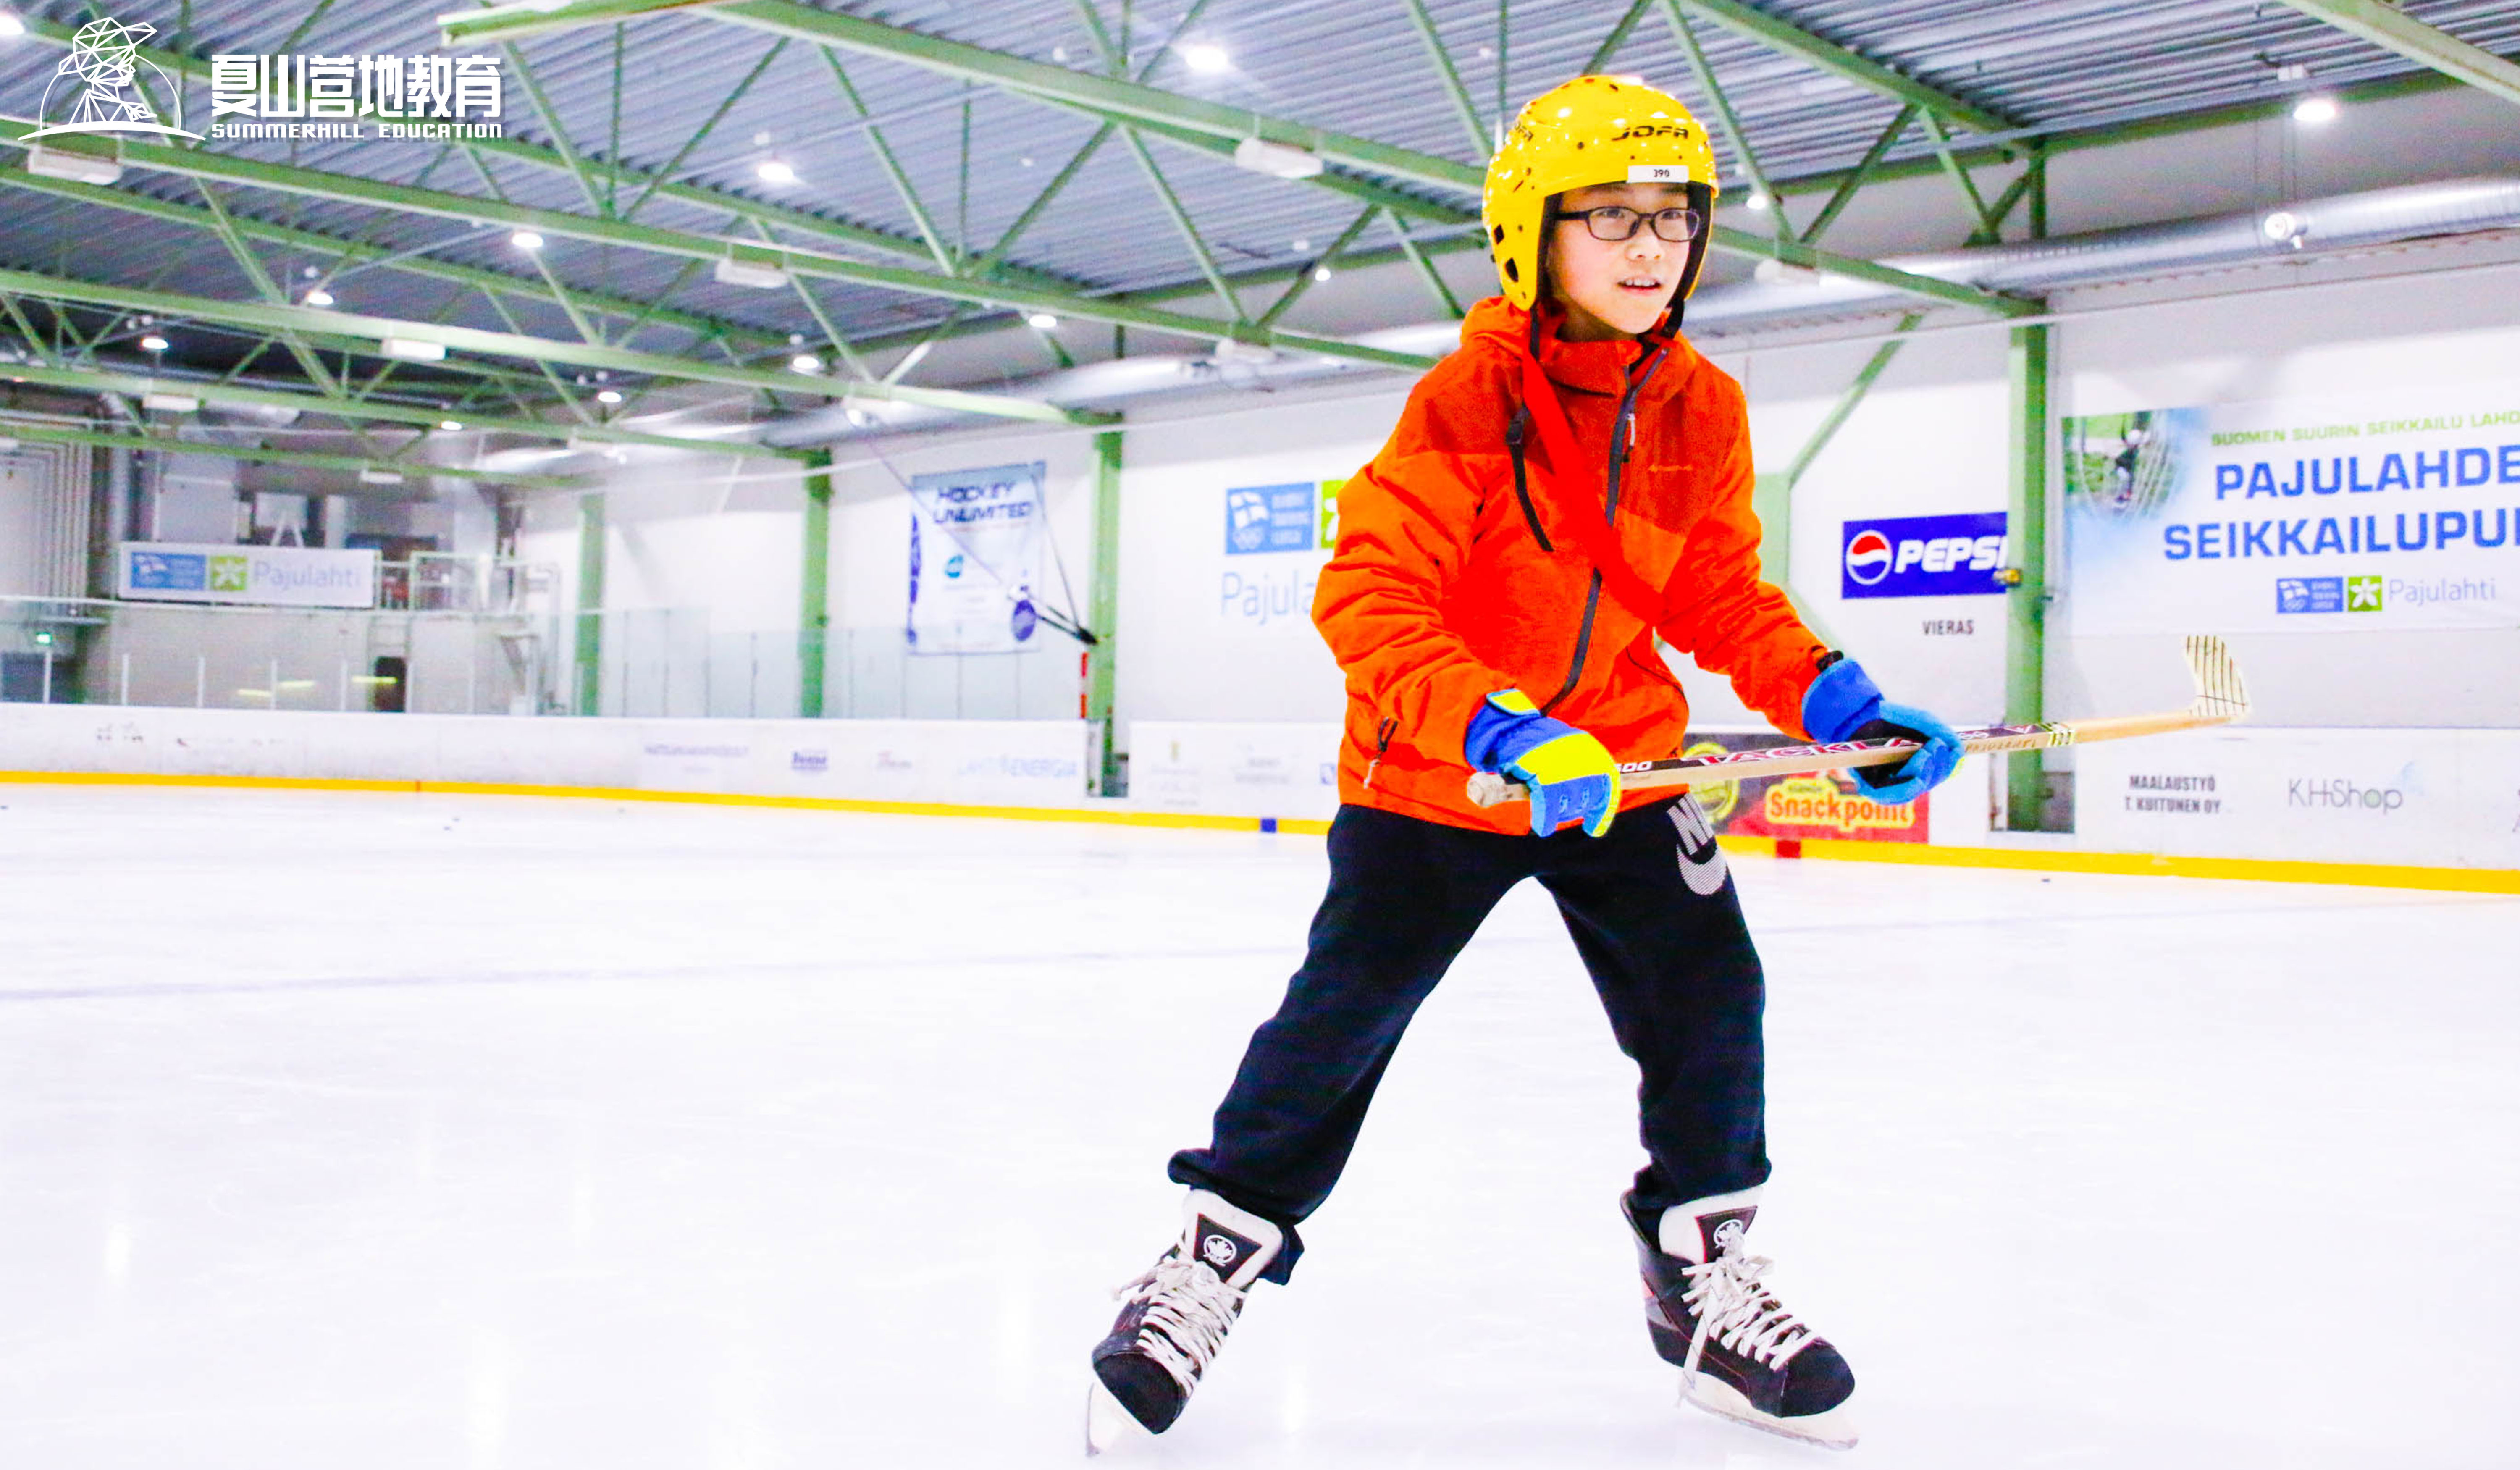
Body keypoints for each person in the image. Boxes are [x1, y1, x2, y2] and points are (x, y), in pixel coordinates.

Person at [1086, 75, 1963, 1455]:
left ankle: (1705, 1281)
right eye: (1608, 215)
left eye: (1672, 218)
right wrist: (1498, 724)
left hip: (1621, 769)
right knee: (1343, 1019)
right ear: (1530, 235)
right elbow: (1369, 597)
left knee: (1711, 997)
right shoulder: (1466, 398)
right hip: (1441, 777)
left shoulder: (1701, 406)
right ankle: (1204, 1265)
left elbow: (1718, 597)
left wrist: (1834, 693)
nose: (1649, 245)